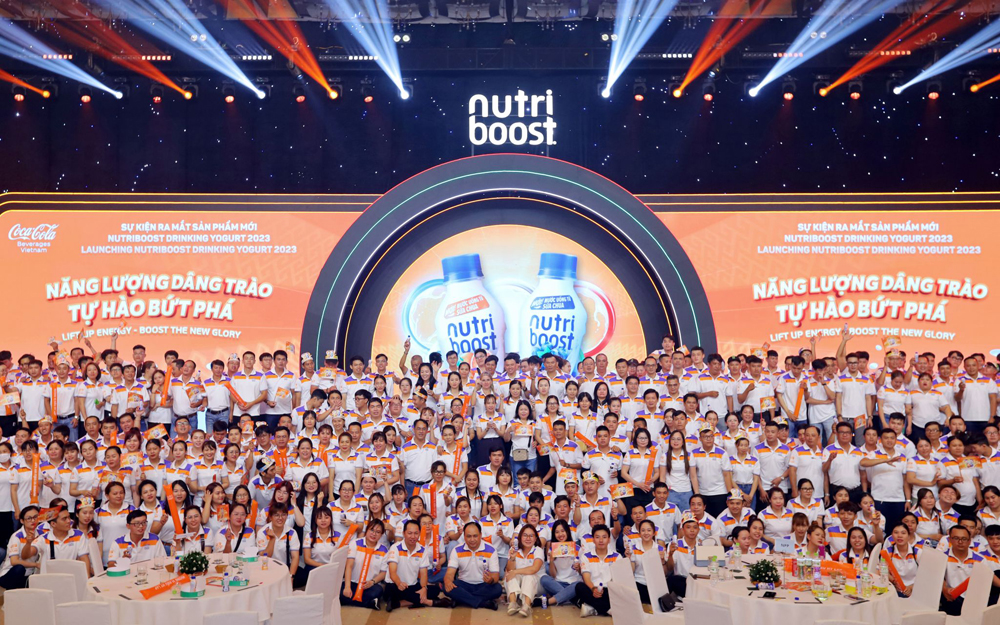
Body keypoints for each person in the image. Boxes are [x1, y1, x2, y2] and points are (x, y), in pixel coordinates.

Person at [385, 519, 447, 611]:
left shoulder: (422, 550)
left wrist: (424, 588)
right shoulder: (395, 548)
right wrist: (399, 583)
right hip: (395, 585)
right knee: (393, 592)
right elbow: (392, 572)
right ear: (404, 533)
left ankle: (398, 603)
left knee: (435, 590)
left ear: (419, 534)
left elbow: (424, 573)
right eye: (410, 533)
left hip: (411, 585)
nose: (413, 536)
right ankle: (430, 602)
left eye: (416, 533)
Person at [443, 521, 502, 610]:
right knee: (446, 586)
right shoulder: (457, 550)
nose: (472, 539)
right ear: (464, 536)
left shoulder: (491, 549)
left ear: (480, 535)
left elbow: (495, 576)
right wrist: (448, 581)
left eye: (475, 536)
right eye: (469, 536)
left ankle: (461, 599)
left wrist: (490, 580)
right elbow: (450, 573)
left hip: (483, 585)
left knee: (497, 588)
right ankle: (483, 603)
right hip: (464, 584)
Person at [22, 506, 91, 572]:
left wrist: (87, 578)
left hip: (71, 578)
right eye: (64, 519)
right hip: (49, 578)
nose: (69, 521)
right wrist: (28, 543)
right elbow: (25, 556)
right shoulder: (43, 539)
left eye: (69, 517)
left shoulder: (78, 535)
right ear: (53, 524)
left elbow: (84, 559)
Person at [576, 523, 622, 617]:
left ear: (609, 539)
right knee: (579, 587)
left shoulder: (617, 556)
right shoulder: (586, 556)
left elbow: (619, 579)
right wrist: (593, 589)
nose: (601, 540)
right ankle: (608, 610)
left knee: (620, 593)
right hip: (592, 589)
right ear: (593, 540)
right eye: (597, 537)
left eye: (604, 537)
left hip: (609, 590)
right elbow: (586, 578)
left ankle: (592, 608)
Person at [504, 524, 544, 617]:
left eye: (531, 536)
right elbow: (510, 570)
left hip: (536, 584)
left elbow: (534, 569)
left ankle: (526, 605)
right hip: (520, 583)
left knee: (529, 575)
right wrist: (512, 558)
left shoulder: (538, 550)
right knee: (510, 574)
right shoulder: (514, 550)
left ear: (535, 538)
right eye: (525, 535)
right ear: (520, 538)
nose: (528, 538)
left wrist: (515, 571)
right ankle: (513, 603)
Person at [0, 505, 40, 588]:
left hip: (30, 574)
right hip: (11, 573)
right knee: (19, 568)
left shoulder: (41, 534)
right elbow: (14, 561)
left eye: (35, 517)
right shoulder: (17, 536)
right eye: (29, 518)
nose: (33, 520)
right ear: (22, 521)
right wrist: (36, 564)